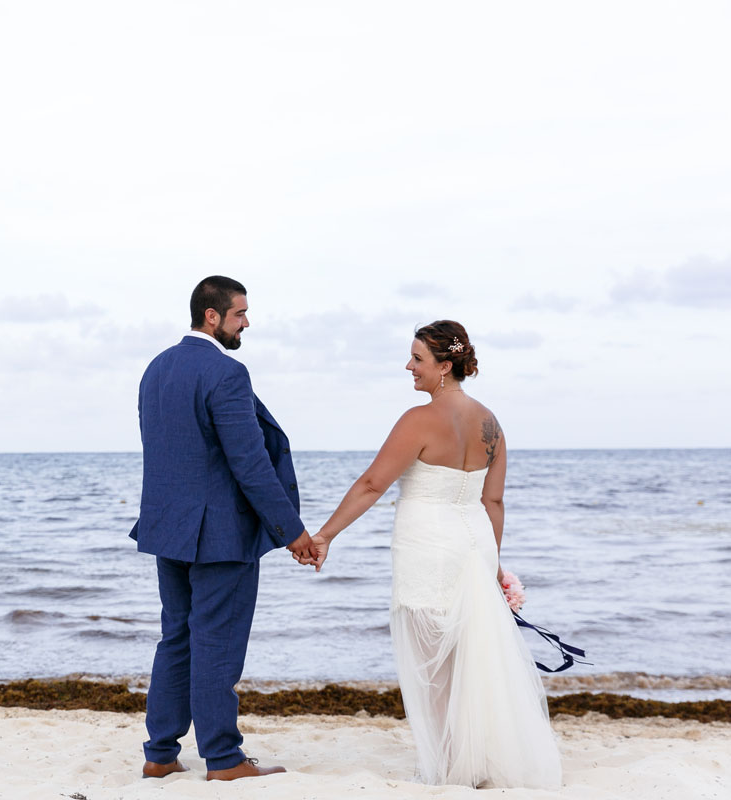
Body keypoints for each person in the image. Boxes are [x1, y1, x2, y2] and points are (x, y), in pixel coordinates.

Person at [309, 320, 562, 789]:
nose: (409, 366)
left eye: (418, 359)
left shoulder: (417, 420)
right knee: (473, 660)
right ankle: (476, 763)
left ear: (445, 366)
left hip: (429, 546)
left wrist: (326, 535)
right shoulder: (492, 424)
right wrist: (494, 564)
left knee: (433, 668)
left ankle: (450, 769)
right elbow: (493, 502)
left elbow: (371, 484)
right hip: (475, 543)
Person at [130, 276, 315, 782]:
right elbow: (250, 464)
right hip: (220, 535)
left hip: (168, 527)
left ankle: (161, 753)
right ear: (212, 316)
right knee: (216, 642)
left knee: (177, 638)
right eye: (240, 314)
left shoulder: (155, 370)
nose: (246, 323)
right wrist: (292, 532)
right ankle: (225, 759)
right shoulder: (227, 373)